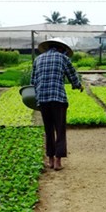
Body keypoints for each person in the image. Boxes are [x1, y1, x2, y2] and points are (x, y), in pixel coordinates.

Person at [31, 37, 84, 171]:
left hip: (42, 99)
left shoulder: (38, 59)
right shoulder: (63, 59)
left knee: (48, 130)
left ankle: (49, 160)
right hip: (58, 98)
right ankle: (58, 161)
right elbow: (72, 76)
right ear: (61, 48)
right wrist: (78, 86)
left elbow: (33, 81)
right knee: (59, 129)